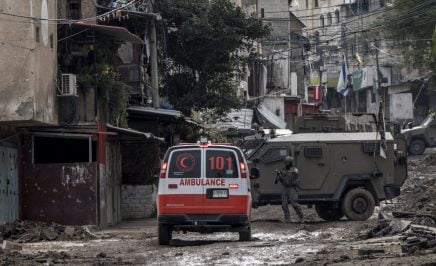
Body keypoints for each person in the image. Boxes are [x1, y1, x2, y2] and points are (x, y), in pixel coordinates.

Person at [276, 156, 304, 223]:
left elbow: (298, 179)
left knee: (294, 204)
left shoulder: (294, 170)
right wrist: (279, 176)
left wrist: (294, 182)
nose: (287, 164)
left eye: (288, 163)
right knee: (284, 205)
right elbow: (280, 179)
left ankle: (301, 217)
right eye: (286, 163)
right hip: (285, 188)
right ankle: (287, 218)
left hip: (291, 188)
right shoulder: (283, 170)